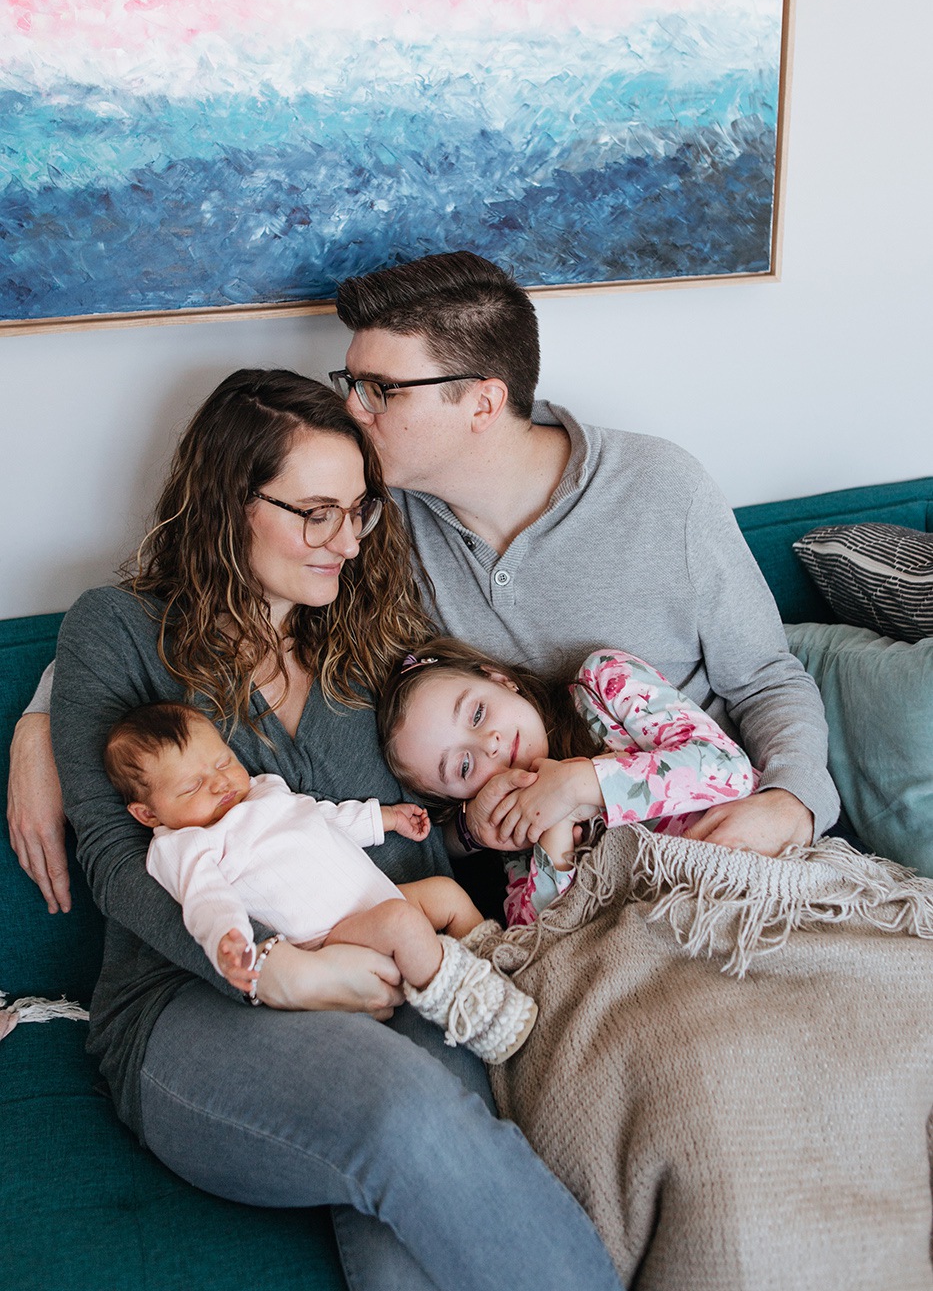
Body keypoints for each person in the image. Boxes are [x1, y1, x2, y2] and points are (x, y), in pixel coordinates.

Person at [29, 369, 623, 1291]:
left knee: (420, 1175)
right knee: (403, 1117)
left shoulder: (372, 632)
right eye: (315, 513)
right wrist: (279, 971)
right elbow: (115, 860)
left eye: (358, 511)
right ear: (229, 501)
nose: (344, 541)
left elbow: (432, 812)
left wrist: (513, 816)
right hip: (192, 1008)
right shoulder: (119, 631)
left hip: (398, 967)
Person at [10, 248, 838, 880]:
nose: (350, 408)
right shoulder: (371, 525)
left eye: (380, 389)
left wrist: (789, 804)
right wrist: (41, 723)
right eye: (351, 382)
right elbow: (190, 581)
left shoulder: (660, 488)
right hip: (565, 881)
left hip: (712, 833)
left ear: (481, 401)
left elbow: (766, 676)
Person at [104, 700, 536, 1062]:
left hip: (374, 901)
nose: (220, 783)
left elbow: (322, 818)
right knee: (403, 924)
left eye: (223, 762)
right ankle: (474, 1010)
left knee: (445, 893)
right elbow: (206, 900)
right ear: (149, 813)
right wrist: (228, 939)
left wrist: (382, 819)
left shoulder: (262, 790)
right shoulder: (186, 845)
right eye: (193, 785)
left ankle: (491, 957)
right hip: (330, 939)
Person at [378, 638, 757, 926]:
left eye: (477, 713)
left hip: (754, 865)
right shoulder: (517, 836)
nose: (488, 745)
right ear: (459, 799)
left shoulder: (603, 684)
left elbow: (729, 770)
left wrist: (579, 784)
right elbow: (541, 945)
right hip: (678, 929)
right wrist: (554, 833)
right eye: (463, 766)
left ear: (501, 680)